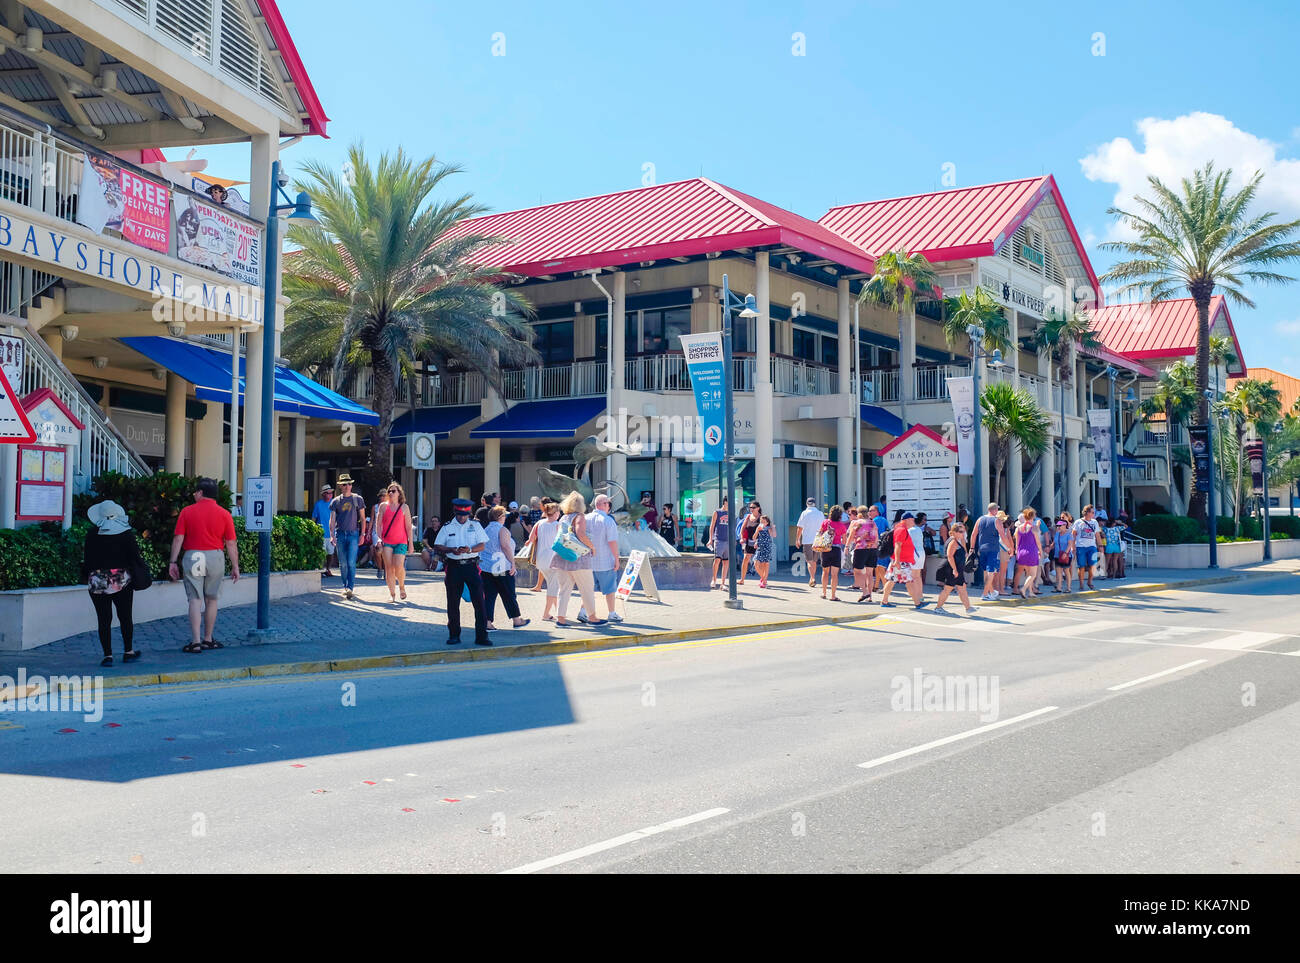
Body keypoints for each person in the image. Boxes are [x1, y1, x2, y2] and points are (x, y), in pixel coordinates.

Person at [168, 478, 239, 654]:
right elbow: (231, 543)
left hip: (194, 556)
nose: (194, 495)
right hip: (215, 556)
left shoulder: (187, 511)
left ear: (200, 493)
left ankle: (196, 641)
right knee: (212, 599)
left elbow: (178, 538)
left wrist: (172, 562)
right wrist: (235, 566)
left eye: (195, 492)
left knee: (195, 599)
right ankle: (208, 638)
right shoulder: (224, 514)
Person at [82, 500, 146, 667]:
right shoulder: (126, 534)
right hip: (121, 579)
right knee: (125, 616)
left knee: (104, 619)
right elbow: (135, 557)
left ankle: (107, 655)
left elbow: (87, 559)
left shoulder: (92, 533)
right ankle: (128, 651)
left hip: (97, 580)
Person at [433, 498, 490, 645]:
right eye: (459, 514)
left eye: (464, 515)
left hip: (471, 566)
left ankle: (482, 636)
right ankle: (454, 635)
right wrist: (451, 549)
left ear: (469, 514)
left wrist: (470, 549)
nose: (462, 517)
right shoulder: (447, 527)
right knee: (453, 602)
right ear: (455, 512)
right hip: (454, 566)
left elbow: (482, 545)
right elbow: (438, 545)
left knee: (479, 601)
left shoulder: (475, 525)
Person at [551, 491, 605, 627]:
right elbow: (581, 534)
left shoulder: (563, 518)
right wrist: (592, 547)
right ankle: (592, 617)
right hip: (578, 559)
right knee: (587, 588)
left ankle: (561, 619)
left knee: (564, 589)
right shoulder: (579, 516)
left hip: (562, 558)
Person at [480, 505, 530, 631]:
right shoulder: (502, 530)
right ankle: (517, 620)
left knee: (489, 595)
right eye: (504, 515)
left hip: (486, 566)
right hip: (501, 566)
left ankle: (487, 622)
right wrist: (512, 563)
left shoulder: (485, 530)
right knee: (509, 593)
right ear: (500, 517)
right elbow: (505, 546)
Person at [578, 494, 622, 623]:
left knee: (588, 589)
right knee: (610, 589)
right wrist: (617, 559)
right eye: (609, 503)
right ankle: (612, 613)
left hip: (587, 562)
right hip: (605, 561)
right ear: (603, 504)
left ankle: (583, 611)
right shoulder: (608, 521)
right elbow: (612, 542)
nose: (609, 506)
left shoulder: (585, 518)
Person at [328, 473, 367, 601]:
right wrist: (332, 535)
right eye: (345, 484)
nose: (348, 486)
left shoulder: (358, 499)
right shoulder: (336, 501)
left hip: (353, 534)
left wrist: (363, 534)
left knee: (351, 562)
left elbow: (362, 518)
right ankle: (345, 587)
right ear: (340, 486)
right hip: (340, 534)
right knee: (343, 563)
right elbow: (332, 520)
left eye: (349, 484)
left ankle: (350, 587)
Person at [377, 481, 415, 603]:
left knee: (398, 566)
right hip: (387, 541)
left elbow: (409, 527)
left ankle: (402, 586)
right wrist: (379, 538)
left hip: (401, 541)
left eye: (394, 491)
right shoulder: (383, 506)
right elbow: (378, 525)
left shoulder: (404, 507)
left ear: (399, 493)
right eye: (389, 491)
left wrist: (411, 544)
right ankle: (392, 594)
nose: (391, 493)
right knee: (389, 568)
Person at [880, 512, 926, 609]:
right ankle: (918, 603)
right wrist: (897, 561)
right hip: (901, 561)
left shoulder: (901, 529)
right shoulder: (901, 530)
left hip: (901, 561)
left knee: (893, 580)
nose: (914, 521)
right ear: (907, 520)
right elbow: (898, 545)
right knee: (909, 582)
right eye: (912, 520)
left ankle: (884, 601)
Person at [527, 500, 562, 621]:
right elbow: (562, 543)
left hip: (541, 560)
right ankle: (546, 614)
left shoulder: (539, 523)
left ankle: (558, 611)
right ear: (556, 513)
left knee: (554, 586)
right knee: (553, 587)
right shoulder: (558, 525)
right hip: (553, 559)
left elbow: (530, 539)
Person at [933, 522, 977, 616]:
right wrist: (954, 570)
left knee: (962, 588)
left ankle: (968, 608)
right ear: (954, 532)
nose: (963, 533)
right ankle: (938, 607)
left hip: (956, 568)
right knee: (948, 588)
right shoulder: (953, 541)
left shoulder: (958, 540)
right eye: (960, 531)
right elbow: (949, 556)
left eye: (963, 531)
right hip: (951, 568)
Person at [970, 502, 1006, 601]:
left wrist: (972, 548)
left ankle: (991, 592)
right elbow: (1003, 536)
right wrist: (1010, 547)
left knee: (986, 572)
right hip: (993, 549)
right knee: (991, 572)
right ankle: (985, 594)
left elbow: (973, 534)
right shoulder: (996, 521)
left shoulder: (980, 519)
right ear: (995, 510)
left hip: (982, 548)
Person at [846, 505, 879, 603]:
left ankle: (864, 592)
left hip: (861, 549)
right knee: (869, 574)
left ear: (859, 513)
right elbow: (876, 537)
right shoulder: (873, 523)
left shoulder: (857, 523)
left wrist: (847, 546)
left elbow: (851, 536)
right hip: (873, 549)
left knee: (857, 571)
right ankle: (870, 597)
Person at [817, 505, 849, 601]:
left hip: (825, 549)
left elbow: (820, 533)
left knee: (825, 572)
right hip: (836, 550)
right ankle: (833, 595)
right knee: (834, 574)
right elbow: (844, 541)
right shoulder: (842, 526)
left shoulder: (825, 522)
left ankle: (824, 593)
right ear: (840, 515)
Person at [795, 497, 826, 587]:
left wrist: (797, 539)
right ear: (815, 504)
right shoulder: (820, 514)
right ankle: (812, 577)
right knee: (814, 561)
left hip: (807, 540)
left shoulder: (804, 513)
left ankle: (812, 578)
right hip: (818, 540)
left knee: (809, 560)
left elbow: (800, 527)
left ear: (807, 504)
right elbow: (823, 527)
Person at [1072, 505, 1102, 591]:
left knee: (1092, 565)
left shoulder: (1094, 522)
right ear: (1087, 512)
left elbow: (1097, 535)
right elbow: (1073, 534)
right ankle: (1081, 584)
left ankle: (1089, 581)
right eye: (1092, 512)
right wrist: (1073, 547)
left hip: (1092, 546)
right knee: (1081, 566)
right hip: (1080, 546)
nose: (1094, 514)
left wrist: (1100, 546)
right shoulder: (1078, 522)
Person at [1014, 508, 1042, 598]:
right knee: (1033, 574)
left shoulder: (1019, 528)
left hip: (1021, 552)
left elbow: (1017, 542)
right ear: (1033, 516)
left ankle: (1030, 592)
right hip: (1031, 552)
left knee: (1028, 573)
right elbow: (1038, 542)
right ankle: (1023, 589)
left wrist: (1017, 552)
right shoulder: (1033, 528)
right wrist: (1041, 551)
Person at [312, 484, 334, 576]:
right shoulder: (318, 504)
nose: (330, 494)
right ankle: (320, 570)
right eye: (328, 493)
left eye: (331, 493)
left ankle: (328, 569)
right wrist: (313, 529)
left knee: (330, 553)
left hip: (332, 534)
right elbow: (314, 518)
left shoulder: (334, 503)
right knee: (321, 553)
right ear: (323, 494)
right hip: (321, 533)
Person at [737, 502, 762, 585]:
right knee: (745, 559)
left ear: (758, 508)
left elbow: (765, 530)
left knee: (758, 562)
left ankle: (763, 579)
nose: (751, 509)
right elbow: (743, 528)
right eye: (750, 507)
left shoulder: (761, 518)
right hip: (749, 542)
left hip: (758, 542)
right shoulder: (748, 516)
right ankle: (742, 579)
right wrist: (741, 537)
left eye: (753, 507)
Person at [708, 497, 730, 589]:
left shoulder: (731, 513)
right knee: (717, 560)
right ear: (725, 502)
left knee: (726, 561)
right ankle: (714, 579)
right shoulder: (717, 512)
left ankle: (723, 583)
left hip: (728, 540)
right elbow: (712, 526)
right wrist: (710, 539)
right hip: (719, 539)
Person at [369, 489, 388, 578]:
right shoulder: (375, 507)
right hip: (376, 531)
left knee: (385, 552)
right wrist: (368, 532)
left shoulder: (390, 506)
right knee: (378, 551)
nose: (383, 497)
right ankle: (380, 568)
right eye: (381, 496)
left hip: (387, 532)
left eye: (385, 495)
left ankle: (385, 570)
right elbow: (372, 519)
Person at [753, 515, 774, 588]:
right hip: (759, 547)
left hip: (767, 547)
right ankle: (763, 579)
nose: (762, 523)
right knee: (756, 563)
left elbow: (774, 535)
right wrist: (757, 531)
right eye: (761, 521)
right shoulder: (759, 528)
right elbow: (754, 537)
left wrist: (772, 528)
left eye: (764, 522)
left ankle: (764, 581)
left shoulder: (769, 528)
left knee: (765, 564)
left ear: (767, 523)